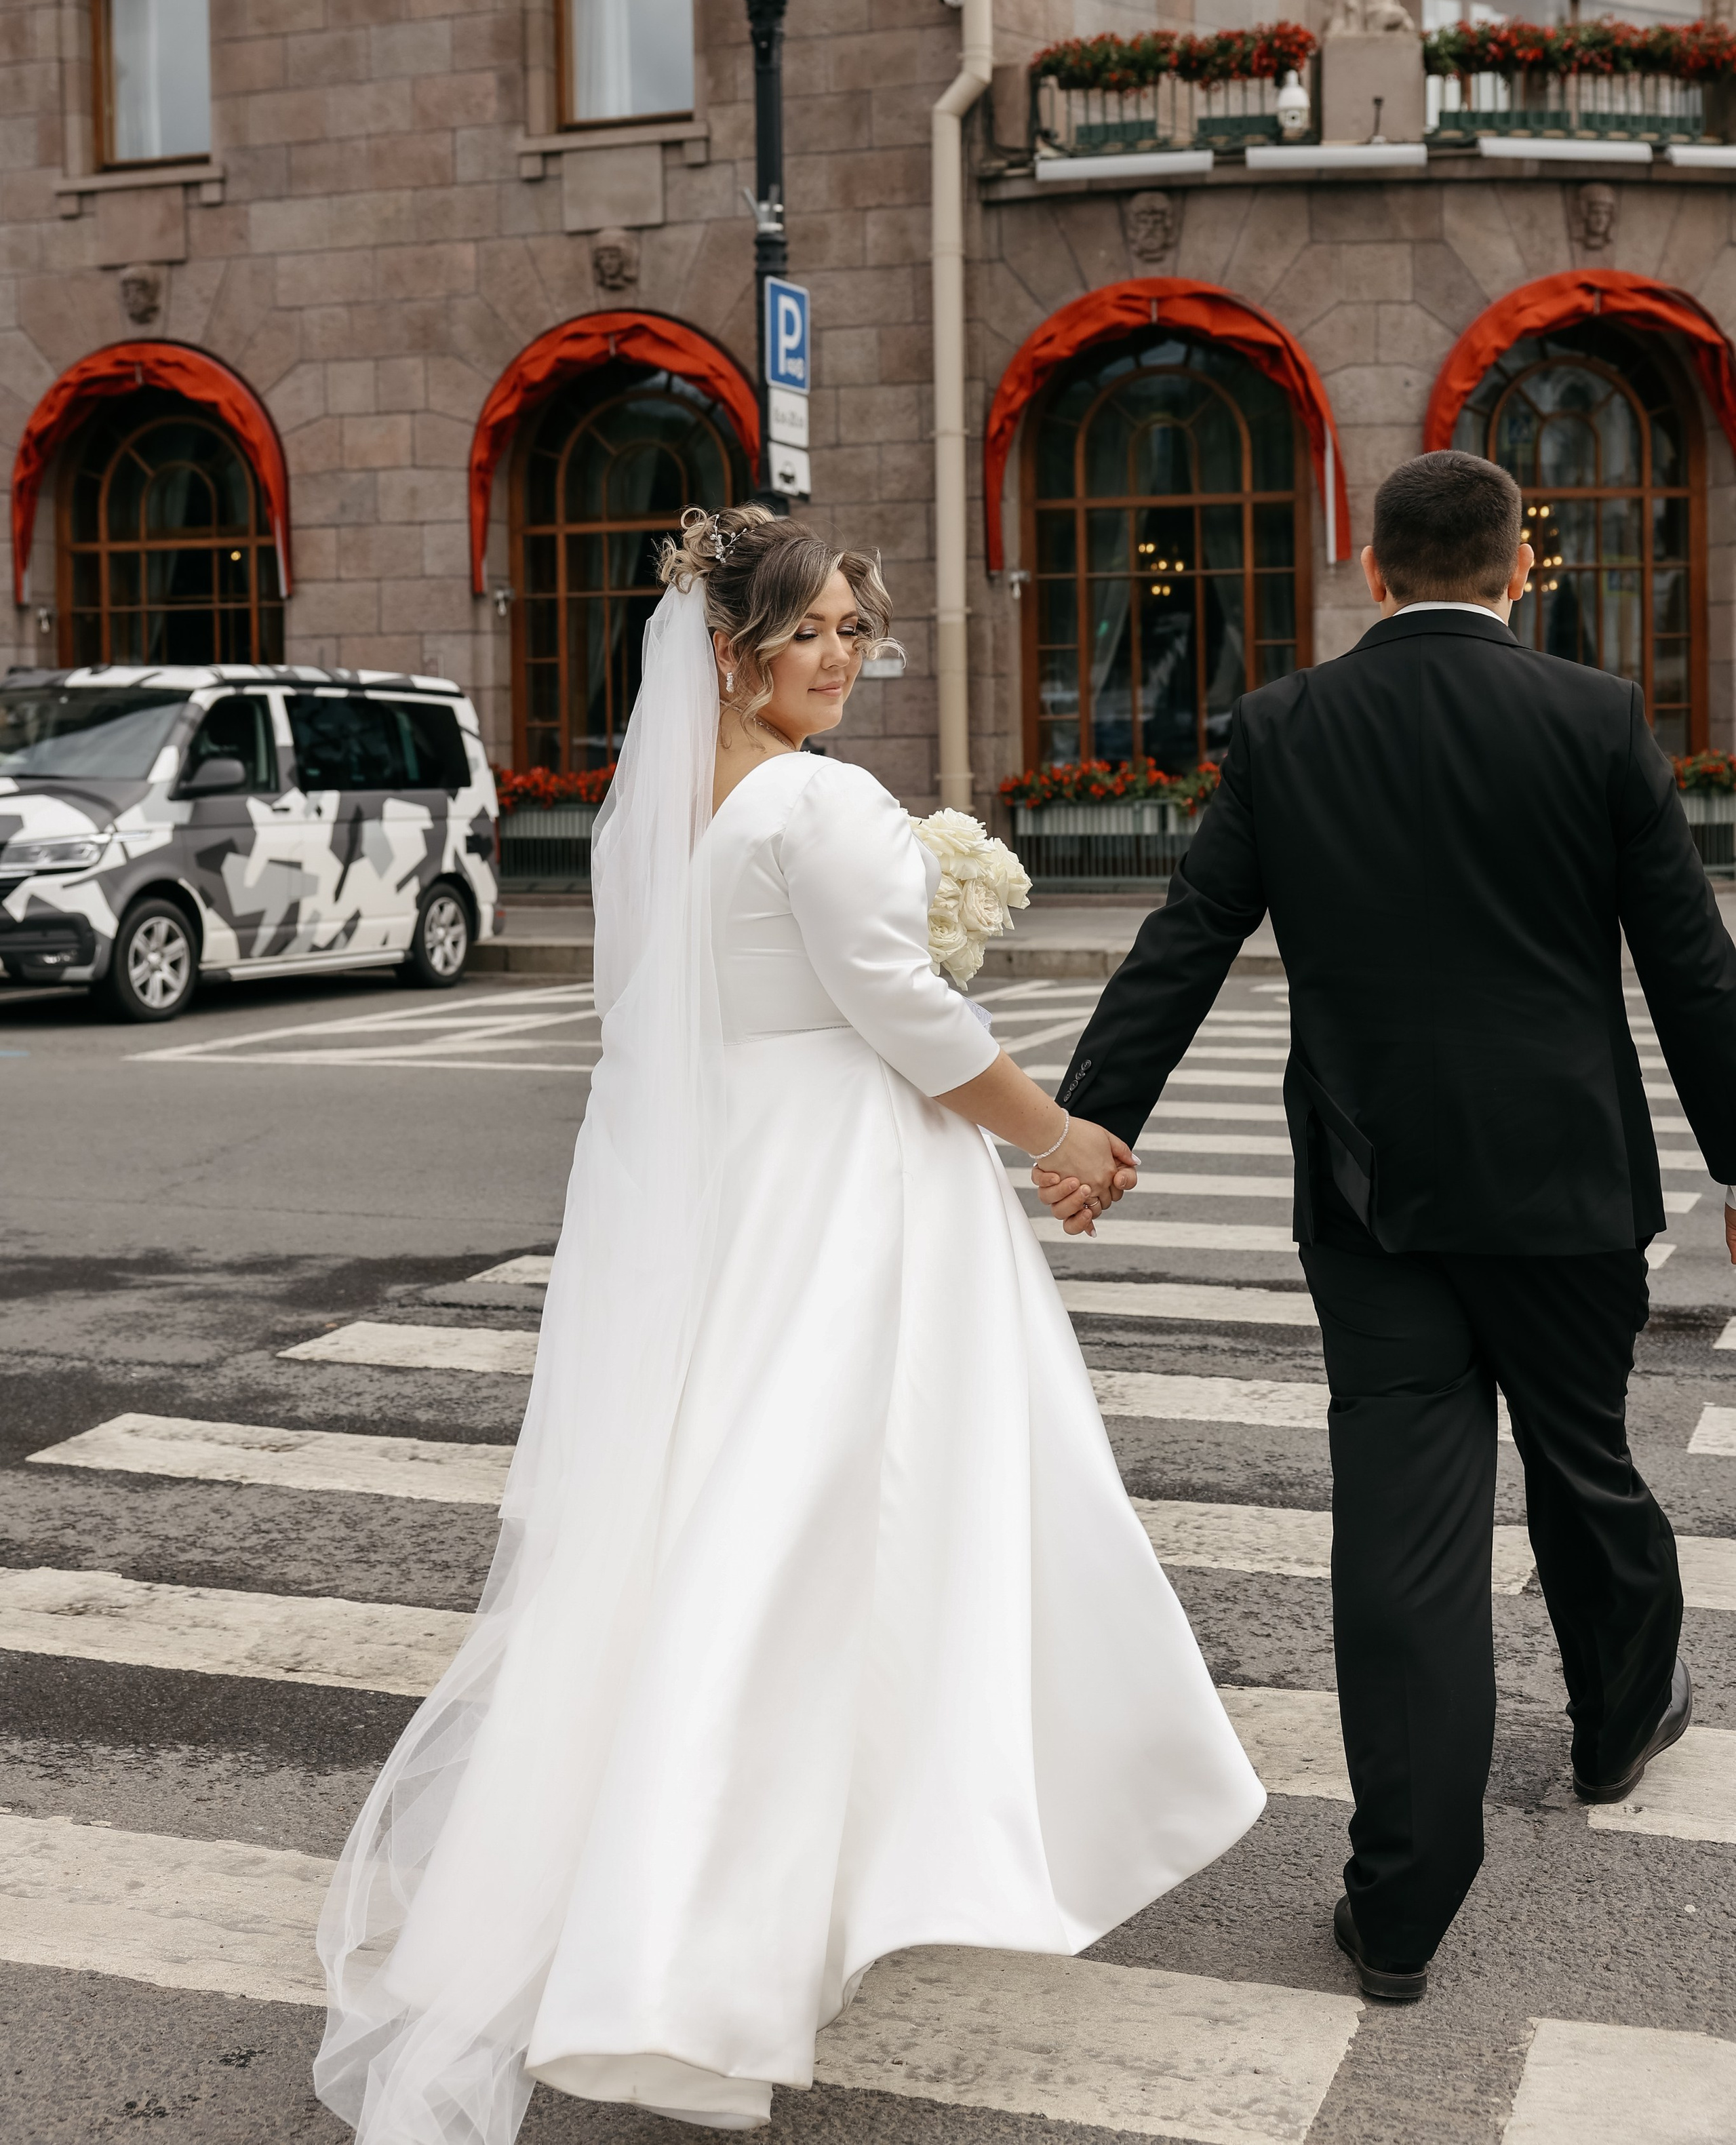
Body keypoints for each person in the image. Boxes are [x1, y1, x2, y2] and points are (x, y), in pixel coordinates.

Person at [314, 504, 1263, 2140]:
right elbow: (902, 1010)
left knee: (737, 1526)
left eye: (850, 629)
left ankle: (739, 1880)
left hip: (742, 1186)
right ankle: (707, 1936)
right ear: (730, 650)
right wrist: (1056, 1139)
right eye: (808, 630)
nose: (838, 656)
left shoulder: (667, 804)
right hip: (841, 1199)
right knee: (826, 1533)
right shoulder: (815, 802)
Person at [1038, 449, 1736, 2004]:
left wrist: (1096, 1121)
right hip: (1564, 1187)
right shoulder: (1593, 717)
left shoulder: (1286, 726)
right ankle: (1621, 1721)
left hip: (1372, 1195)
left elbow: (1187, 932)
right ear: (1516, 571)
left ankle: (1401, 1906)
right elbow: (1689, 964)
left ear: (1370, 569)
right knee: (1584, 1460)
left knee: (1402, 1533)